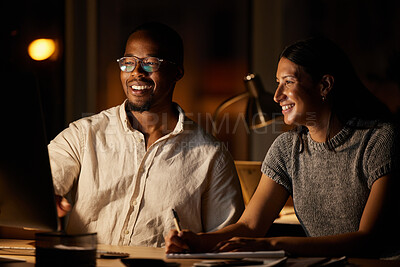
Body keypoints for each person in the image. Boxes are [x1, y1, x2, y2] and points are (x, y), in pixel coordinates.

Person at [165, 37, 400, 258]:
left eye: (288, 82)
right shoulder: (288, 148)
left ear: (325, 85)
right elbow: (250, 226)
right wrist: (198, 241)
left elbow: (367, 240)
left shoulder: (380, 140)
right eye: (278, 83)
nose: (277, 95)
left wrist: (272, 245)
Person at [48, 22, 244, 247]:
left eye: (150, 63)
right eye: (128, 63)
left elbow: (227, 242)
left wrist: (197, 245)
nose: (137, 73)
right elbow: (42, 182)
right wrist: (46, 198)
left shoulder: (211, 156)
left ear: (177, 72)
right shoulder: (84, 134)